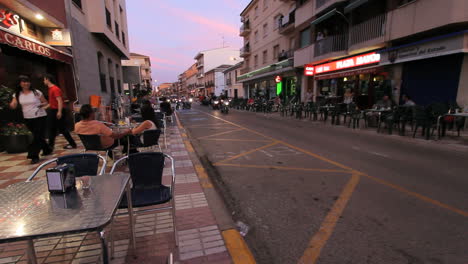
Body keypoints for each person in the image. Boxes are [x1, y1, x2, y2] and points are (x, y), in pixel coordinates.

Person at [9, 75, 52, 164]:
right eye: (24, 82)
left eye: (28, 81)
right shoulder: (17, 94)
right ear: (20, 83)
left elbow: (45, 102)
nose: (26, 83)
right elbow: (14, 104)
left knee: (37, 136)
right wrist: (12, 105)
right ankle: (47, 149)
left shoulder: (36, 92)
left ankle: (33, 155)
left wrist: (41, 105)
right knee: (38, 135)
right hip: (28, 118)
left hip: (40, 116)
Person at [44, 74, 77, 150]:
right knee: (53, 129)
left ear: (47, 79)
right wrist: (44, 108)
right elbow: (52, 102)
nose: (43, 81)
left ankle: (72, 144)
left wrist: (59, 111)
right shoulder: (50, 89)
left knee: (61, 129)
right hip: (54, 110)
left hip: (57, 110)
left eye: (44, 79)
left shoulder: (55, 89)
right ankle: (50, 146)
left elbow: (59, 101)